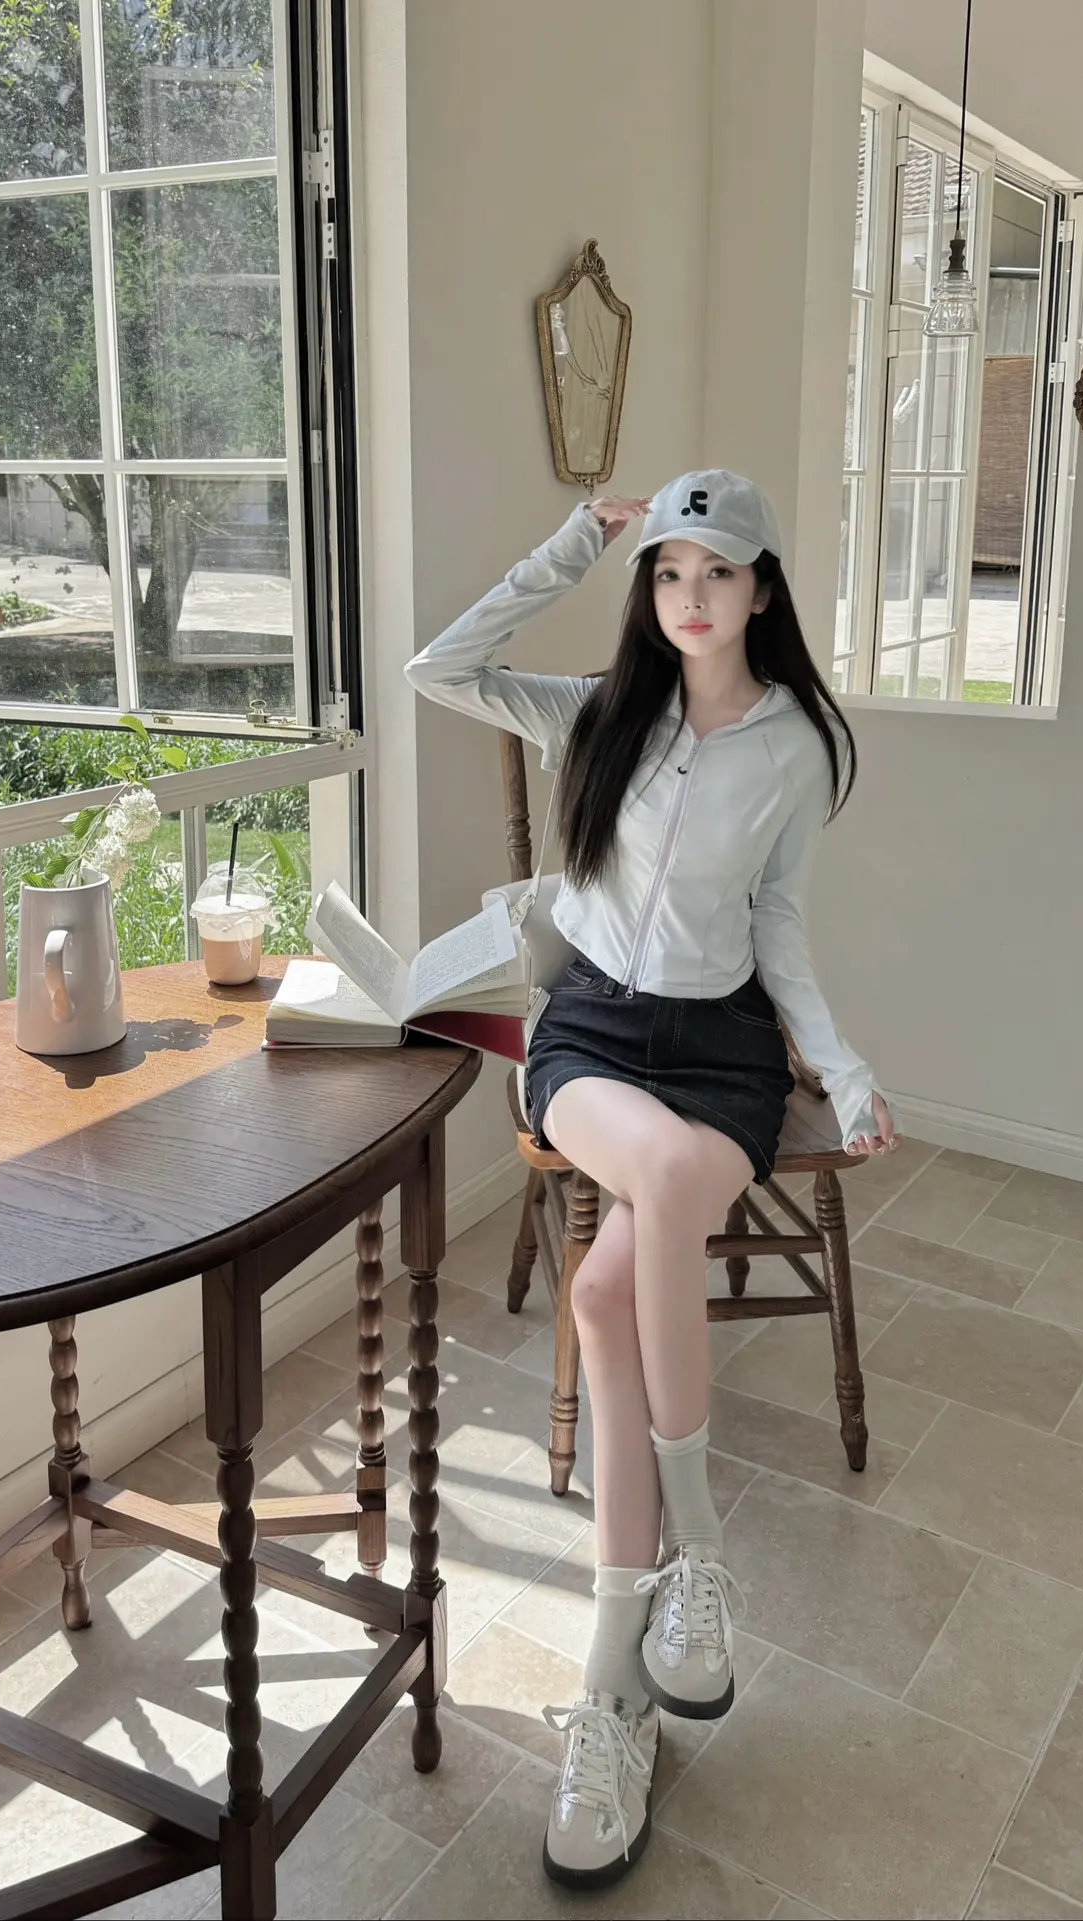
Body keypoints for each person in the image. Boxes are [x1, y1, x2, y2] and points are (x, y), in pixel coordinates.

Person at [405, 470, 899, 1891]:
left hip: (726, 1045)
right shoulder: (595, 713)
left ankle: (612, 1694)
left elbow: (779, 919)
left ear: (762, 590)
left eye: (717, 571)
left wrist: (840, 1067)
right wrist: (579, 538)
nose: (690, 595)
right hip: (594, 1039)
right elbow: (439, 668)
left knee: (607, 1301)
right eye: (670, 572)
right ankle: (704, 1552)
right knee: (670, 1183)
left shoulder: (800, 743)